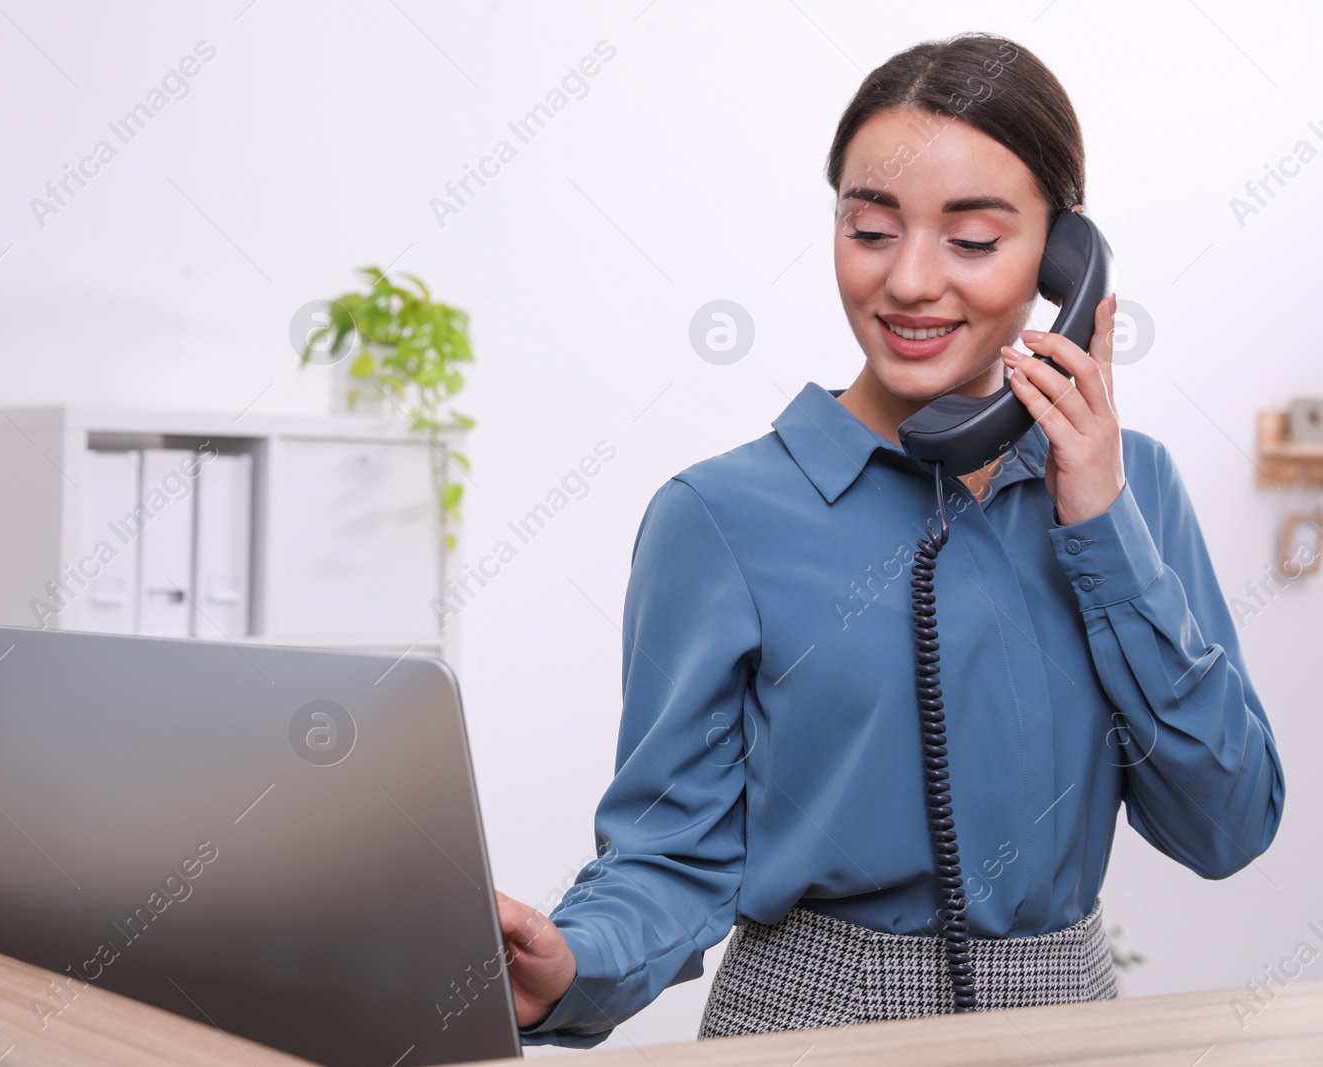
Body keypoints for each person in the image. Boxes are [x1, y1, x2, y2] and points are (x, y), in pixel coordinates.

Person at [494, 30, 1285, 1045]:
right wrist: (573, 962)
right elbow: (668, 851)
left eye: (971, 239)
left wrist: (1102, 527)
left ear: (1064, 258)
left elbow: (1224, 824)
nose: (909, 282)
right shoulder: (718, 515)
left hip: (1073, 1023)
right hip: (808, 1024)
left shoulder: (1135, 489)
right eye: (871, 230)